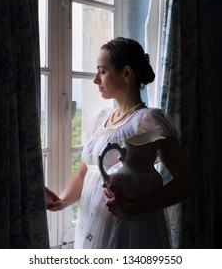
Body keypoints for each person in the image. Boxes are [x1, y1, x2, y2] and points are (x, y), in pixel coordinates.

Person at [45, 37, 198, 248]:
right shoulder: (101, 120)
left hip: (129, 230)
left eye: (102, 71)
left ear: (126, 73)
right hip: (90, 225)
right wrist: (62, 201)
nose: (95, 80)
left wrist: (133, 209)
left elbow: (187, 182)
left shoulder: (148, 121)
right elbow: (84, 174)